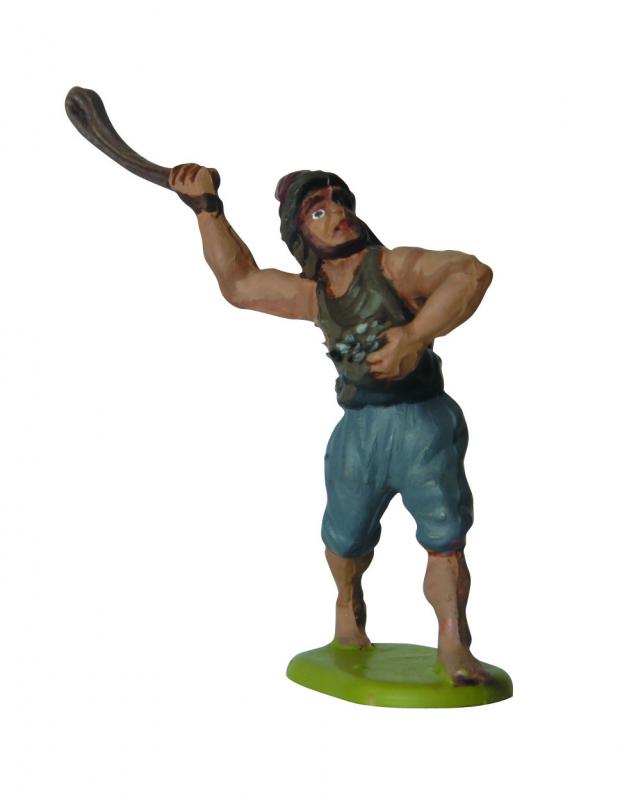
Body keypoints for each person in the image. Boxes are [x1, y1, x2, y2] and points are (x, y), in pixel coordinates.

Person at [169, 164, 493, 685]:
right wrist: (206, 208)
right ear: (301, 231)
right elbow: (240, 284)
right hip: (358, 430)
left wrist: (413, 336)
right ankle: (348, 621)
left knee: (444, 538)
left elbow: (470, 273)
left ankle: (454, 643)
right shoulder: (315, 294)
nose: (338, 213)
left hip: (420, 424)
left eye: (340, 201)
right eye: (319, 210)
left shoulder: (394, 268)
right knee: (344, 538)